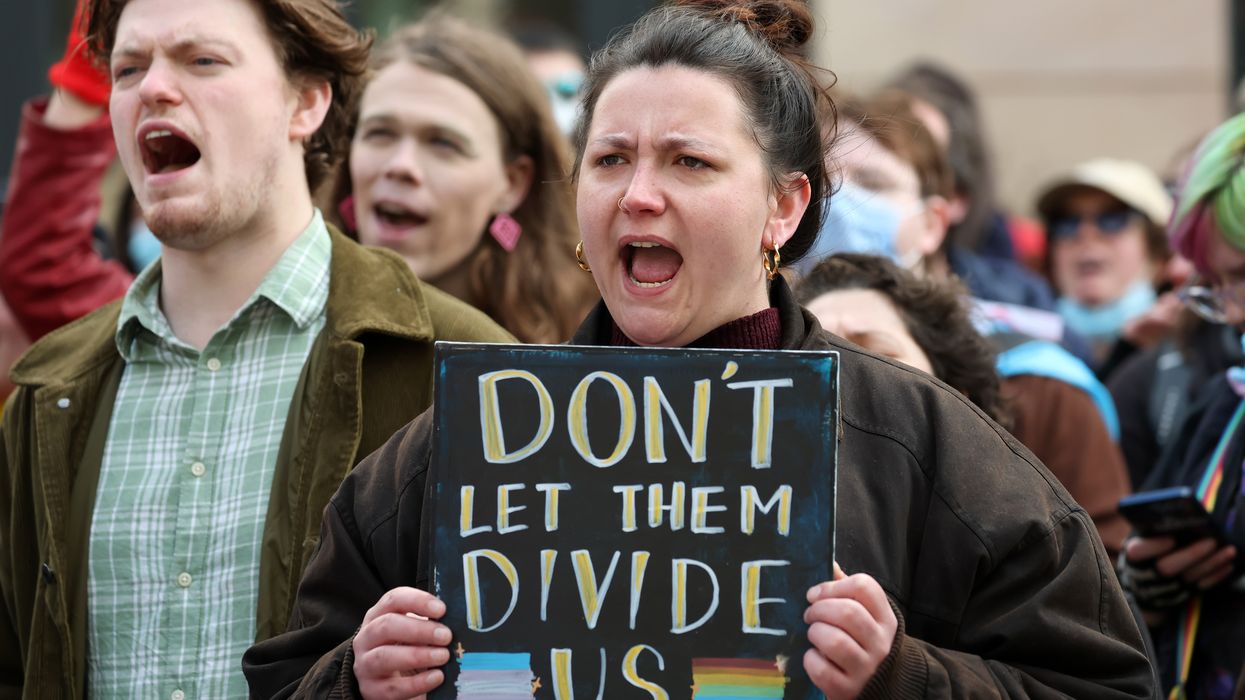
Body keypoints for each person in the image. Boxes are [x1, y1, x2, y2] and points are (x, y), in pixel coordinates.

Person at [244, 2, 1153, 697]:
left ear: (783, 207)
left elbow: (1107, 683)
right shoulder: (461, 447)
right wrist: (357, 677)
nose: (637, 195)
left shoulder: (916, 445)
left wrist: (903, 676)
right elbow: (286, 675)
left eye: (689, 162)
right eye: (610, 160)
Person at [0, 0, 512, 696]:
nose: (154, 88)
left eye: (203, 60)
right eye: (128, 68)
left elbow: (513, 669)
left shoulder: (468, 369)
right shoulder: (46, 396)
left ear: (306, 102)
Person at [796, 253, 1132, 556]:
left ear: (956, 392)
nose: (841, 377)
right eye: (815, 358)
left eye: (875, 355)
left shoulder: (1017, 538)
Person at [330, 17, 597, 344]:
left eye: (443, 143)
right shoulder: (297, 321)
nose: (400, 166)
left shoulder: (588, 334)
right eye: (380, 133)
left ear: (512, 183)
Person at [1119, 111, 1245, 700]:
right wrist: (1141, 585)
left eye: (1241, 275)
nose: (1233, 311)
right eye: (1216, 285)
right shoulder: (1227, 403)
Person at [1036, 159, 1177, 375]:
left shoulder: (1188, 351)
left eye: (1112, 219)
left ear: (1158, 254)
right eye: (1066, 223)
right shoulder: (1019, 349)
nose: (1086, 234)